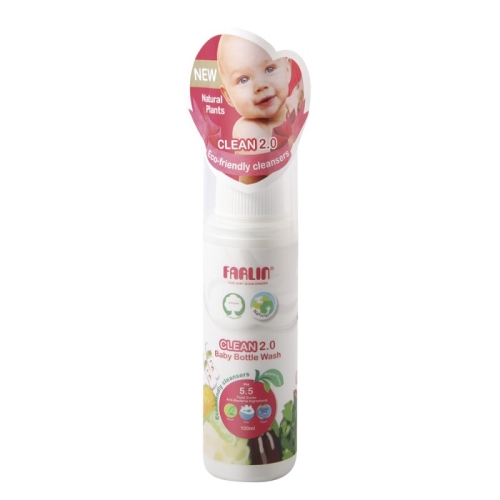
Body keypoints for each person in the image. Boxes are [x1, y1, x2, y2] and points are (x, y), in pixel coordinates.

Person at [217, 35, 292, 184]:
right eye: (243, 79)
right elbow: (268, 169)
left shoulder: (294, 107)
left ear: (288, 70)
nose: (261, 85)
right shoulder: (247, 129)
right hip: (257, 196)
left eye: (270, 69)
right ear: (228, 96)